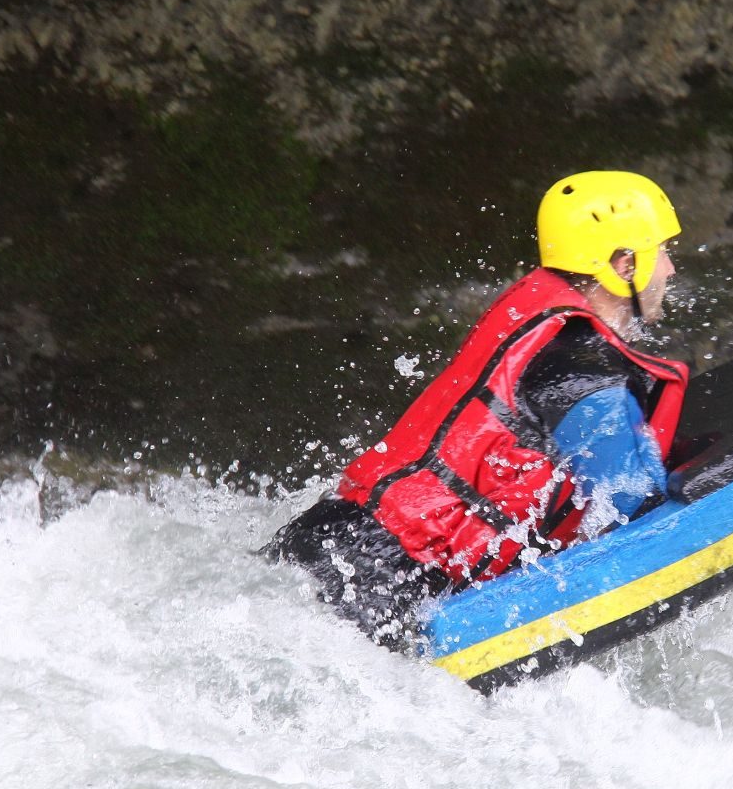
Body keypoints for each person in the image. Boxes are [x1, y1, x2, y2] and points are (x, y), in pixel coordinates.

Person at [264, 170, 690, 649]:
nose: (670, 269)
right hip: (378, 580)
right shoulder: (582, 372)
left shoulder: (539, 318)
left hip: (332, 535)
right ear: (625, 264)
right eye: (663, 252)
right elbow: (638, 508)